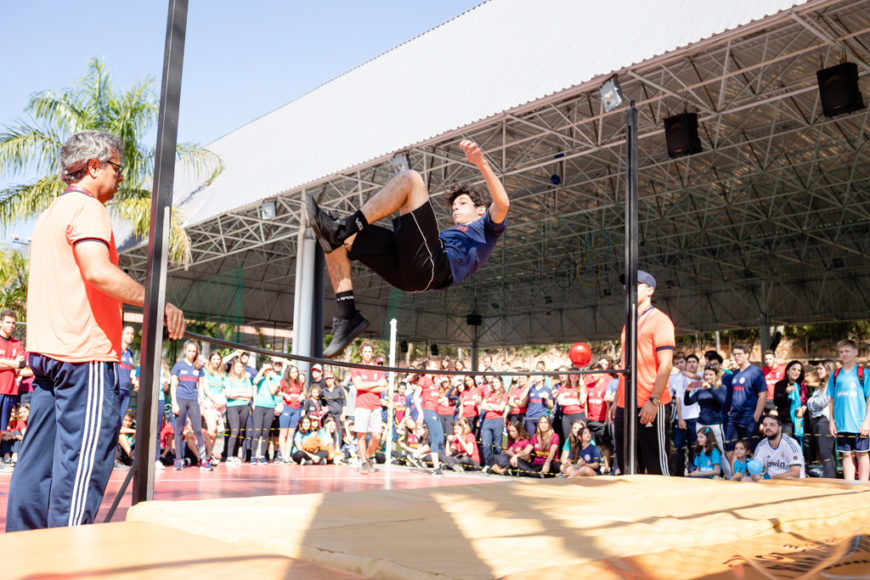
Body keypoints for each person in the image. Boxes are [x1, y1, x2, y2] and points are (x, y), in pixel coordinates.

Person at [6, 131, 185, 532]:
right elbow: (98, 271)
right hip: (83, 354)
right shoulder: (88, 208)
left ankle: (22, 547)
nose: (121, 178)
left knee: (37, 464)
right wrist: (158, 303)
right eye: (117, 168)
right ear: (93, 167)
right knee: (82, 466)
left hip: (49, 353)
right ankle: (67, 551)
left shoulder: (53, 211)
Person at [308, 140, 509, 358]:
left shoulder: (486, 229)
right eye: (454, 205)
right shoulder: (453, 233)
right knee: (336, 240)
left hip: (430, 268)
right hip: (408, 271)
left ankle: (342, 229)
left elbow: (503, 204)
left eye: (462, 203)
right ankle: (347, 316)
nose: (455, 208)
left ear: (481, 210)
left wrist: (481, 163)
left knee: (411, 179)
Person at [613, 270, 674, 476]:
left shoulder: (660, 320)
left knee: (657, 466)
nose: (628, 289)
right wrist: (616, 401)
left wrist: (654, 400)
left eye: (635, 285)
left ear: (649, 290)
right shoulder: (628, 324)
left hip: (649, 403)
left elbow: (666, 364)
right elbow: (624, 364)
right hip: (625, 405)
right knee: (627, 467)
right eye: (626, 285)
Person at [828, 339, 870, 482]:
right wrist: (831, 422)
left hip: (859, 423)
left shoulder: (864, 373)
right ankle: (849, 486)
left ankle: (864, 486)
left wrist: (867, 421)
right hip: (842, 424)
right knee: (846, 455)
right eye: (841, 352)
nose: (844, 354)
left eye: (847, 351)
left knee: (862, 454)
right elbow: (831, 399)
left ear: (855, 352)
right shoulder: (835, 375)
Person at [722, 343, 768, 468]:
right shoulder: (735, 373)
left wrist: (756, 416)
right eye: (735, 354)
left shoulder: (755, 372)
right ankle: (736, 474)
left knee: (750, 448)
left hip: (749, 417)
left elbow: (763, 394)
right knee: (730, 447)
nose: (737, 357)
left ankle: (754, 473)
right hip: (734, 417)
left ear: (747, 355)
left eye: (739, 354)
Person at [171, 341, 212, 471]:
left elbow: (200, 387)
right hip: (180, 399)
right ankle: (178, 460)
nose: (191, 353)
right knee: (178, 431)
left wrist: (202, 403)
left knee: (198, 430)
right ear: (185, 350)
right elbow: (173, 385)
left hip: (193, 400)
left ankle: (203, 460)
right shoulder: (178, 366)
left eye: (194, 351)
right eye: (189, 351)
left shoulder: (198, 367)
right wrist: (174, 403)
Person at [686, 364, 730, 478]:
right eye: (706, 374)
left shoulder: (721, 388)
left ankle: (730, 476)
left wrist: (710, 388)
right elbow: (688, 402)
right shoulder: (701, 390)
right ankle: (702, 475)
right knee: (702, 450)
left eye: (711, 374)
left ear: (716, 376)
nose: (708, 377)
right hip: (701, 424)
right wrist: (687, 391)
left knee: (720, 452)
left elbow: (721, 401)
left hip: (715, 425)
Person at [351, 342, 387, 473]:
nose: (367, 354)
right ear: (361, 353)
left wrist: (367, 385)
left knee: (377, 436)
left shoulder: (378, 369)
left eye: (369, 352)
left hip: (376, 406)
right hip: (362, 405)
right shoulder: (356, 367)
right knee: (361, 435)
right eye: (365, 351)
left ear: (373, 354)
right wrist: (376, 384)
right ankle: (364, 462)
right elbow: (358, 386)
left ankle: (368, 456)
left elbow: (383, 388)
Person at [752, 413, 806, 480]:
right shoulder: (761, 446)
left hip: (792, 483)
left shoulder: (790, 444)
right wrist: (755, 475)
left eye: (772, 425)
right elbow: (755, 471)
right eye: (765, 425)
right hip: (769, 483)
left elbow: (795, 473)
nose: (767, 427)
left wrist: (769, 477)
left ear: (780, 428)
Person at [806, 360, 836, 478]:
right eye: (817, 368)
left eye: (820, 368)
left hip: (825, 421)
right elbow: (810, 404)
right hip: (816, 421)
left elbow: (821, 402)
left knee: (826, 453)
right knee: (822, 454)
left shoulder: (832, 385)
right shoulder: (819, 387)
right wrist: (812, 402)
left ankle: (831, 480)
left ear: (828, 370)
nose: (818, 371)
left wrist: (812, 402)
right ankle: (828, 478)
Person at [224, 360, 253, 465]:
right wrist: (242, 395)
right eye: (237, 367)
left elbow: (250, 394)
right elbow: (229, 394)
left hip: (244, 407)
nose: (239, 369)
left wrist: (237, 394)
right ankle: (229, 456)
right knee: (234, 431)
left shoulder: (246, 380)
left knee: (240, 432)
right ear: (233, 368)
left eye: (241, 367)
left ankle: (235, 456)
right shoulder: (228, 379)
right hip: (232, 407)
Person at [251, 361, 281, 464]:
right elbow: (255, 381)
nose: (268, 371)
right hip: (259, 406)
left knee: (265, 433)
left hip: (270, 408)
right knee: (257, 432)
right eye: (266, 370)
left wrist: (268, 379)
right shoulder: (260, 379)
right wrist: (263, 370)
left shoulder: (275, 380)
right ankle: (253, 456)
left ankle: (263, 455)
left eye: (270, 369)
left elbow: (273, 391)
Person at [0, 309, 24, 434]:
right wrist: (14, 363)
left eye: (13, 323)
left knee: (2, 428)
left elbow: (22, 365)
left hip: (10, 390)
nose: (11, 325)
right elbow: (17, 364)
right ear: (1, 322)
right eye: (8, 322)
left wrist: (3, 361)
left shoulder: (17, 343)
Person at [201, 351, 227, 464]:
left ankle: (209, 455)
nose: (216, 361)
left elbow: (225, 389)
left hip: (220, 404)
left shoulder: (222, 373)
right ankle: (204, 452)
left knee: (215, 431)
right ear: (210, 360)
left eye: (218, 359)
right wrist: (215, 401)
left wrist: (222, 401)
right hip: (209, 402)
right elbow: (206, 390)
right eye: (214, 359)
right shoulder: (205, 372)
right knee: (211, 430)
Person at [772, 361, 808, 438]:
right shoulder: (780, 385)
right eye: (794, 369)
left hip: (800, 421)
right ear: (787, 371)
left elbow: (807, 401)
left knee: (803, 443)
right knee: (787, 442)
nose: (796, 372)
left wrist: (803, 408)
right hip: (786, 421)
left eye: (799, 370)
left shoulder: (803, 386)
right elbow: (776, 401)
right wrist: (786, 393)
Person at [480, 376, 508, 466]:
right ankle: (488, 464)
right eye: (493, 382)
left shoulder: (504, 395)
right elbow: (482, 406)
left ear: (501, 383)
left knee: (497, 444)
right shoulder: (488, 394)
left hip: (498, 420)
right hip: (487, 420)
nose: (494, 384)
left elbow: (501, 408)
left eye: (496, 382)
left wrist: (489, 405)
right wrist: (494, 406)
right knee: (486, 444)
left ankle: (496, 464)